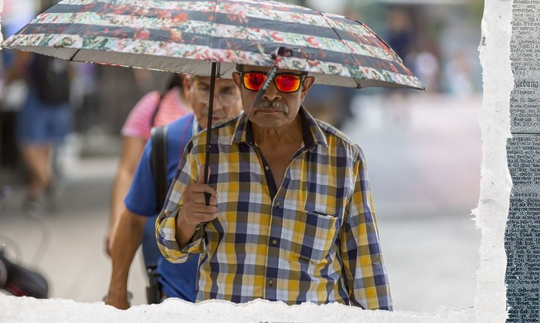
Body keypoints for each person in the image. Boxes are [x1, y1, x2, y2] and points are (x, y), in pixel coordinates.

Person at [156, 64, 392, 309]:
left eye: (287, 82)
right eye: (257, 81)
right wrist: (186, 220)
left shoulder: (344, 157)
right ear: (238, 82)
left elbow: (365, 265)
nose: (270, 94)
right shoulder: (204, 150)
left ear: (305, 87)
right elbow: (168, 248)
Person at [105, 75, 242, 309]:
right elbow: (132, 220)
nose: (214, 104)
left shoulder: (264, 147)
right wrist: (116, 294)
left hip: (242, 305)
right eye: (205, 88)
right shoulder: (165, 141)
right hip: (176, 302)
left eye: (227, 91)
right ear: (188, 87)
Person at [106, 74, 191, 256]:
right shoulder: (154, 105)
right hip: (158, 220)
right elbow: (127, 170)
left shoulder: (234, 109)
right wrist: (117, 225)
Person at [7, 51, 74, 214]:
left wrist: (10, 81)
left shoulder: (32, 44)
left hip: (37, 102)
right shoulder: (64, 44)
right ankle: (33, 195)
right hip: (59, 104)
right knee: (44, 151)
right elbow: (72, 73)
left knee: (28, 146)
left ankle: (49, 183)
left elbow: (16, 70)